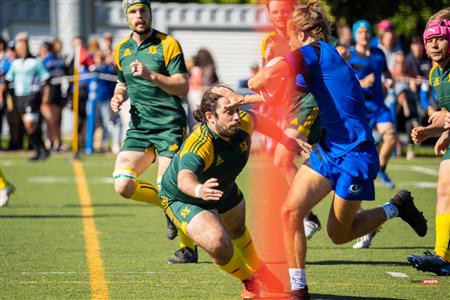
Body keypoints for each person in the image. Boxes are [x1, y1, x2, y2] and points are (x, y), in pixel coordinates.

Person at [240, 2, 427, 298]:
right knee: (290, 211)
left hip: (356, 154)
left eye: (290, 36)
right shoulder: (317, 59)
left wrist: (255, 81)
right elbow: (280, 95)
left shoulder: (312, 52)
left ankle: (397, 207)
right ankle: (299, 289)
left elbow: (261, 79)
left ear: (300, 33)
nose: (288, 41)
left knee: (339, 234)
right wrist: (240, 99)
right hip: (329, 150)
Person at [160, 84, 309, 299]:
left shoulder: (242, 124)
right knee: (217, 243)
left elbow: (258, 120)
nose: (237, 117)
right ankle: (250, 281)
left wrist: (286, 140)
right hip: (183, 197)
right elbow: (184, 178)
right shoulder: (201, 144)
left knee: (238, 231)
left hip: (222, 187)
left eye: (237, 110)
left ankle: (260, 270)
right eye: (229, 112)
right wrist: (199, 189)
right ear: (210, 117)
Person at [218, 0, 323, 239]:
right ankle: (361, 208)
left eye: (285, 10)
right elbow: (272, 85)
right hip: (289, 106)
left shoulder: (304, 34)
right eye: (274, 11)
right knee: (319, 161)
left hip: (310, 103)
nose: (280, 15)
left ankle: (305, 214)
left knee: (283, 157)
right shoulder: (269, 42)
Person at [111, 0, 195, 263]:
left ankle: (188, 248)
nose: (139, 16)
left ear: (150, 13)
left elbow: (182, 87)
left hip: (169, 125)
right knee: (123, 184)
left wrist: (152, 76)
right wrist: (118, 96)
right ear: (126, 16)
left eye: (143, 10)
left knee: (169, 187)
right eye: (133, 11)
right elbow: (122, 82)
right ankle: (168, 209)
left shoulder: (168, 44)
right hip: (139, 127)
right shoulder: (121, 49)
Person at [408, 11, 450, 276]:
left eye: (440, 39)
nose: (434, 44)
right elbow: (447, 116)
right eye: (430, 40)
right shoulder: (436, 74)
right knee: (444, 187)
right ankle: (441, 256)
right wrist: (430, 131)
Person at [348, 20, 397, 190]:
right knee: (358, 148)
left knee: (391, 138)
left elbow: (387, 73)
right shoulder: (349, 55)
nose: (364, 35)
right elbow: (343, 80)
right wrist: (360, 83)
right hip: (359, 108)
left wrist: (389, 81)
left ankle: (381, 169)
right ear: (355, 35)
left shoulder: (378, 53)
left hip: (378, 105)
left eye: (367, 32)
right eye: (360, 32)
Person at [0, 34, 51, 160]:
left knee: (30, 124)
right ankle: (41, 150)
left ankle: (41, 149)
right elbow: (7, 80)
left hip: (32, 96)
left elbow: (46, 80)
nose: (21, 49)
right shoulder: (15, 63)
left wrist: (45, 99)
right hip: (19, 97)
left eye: (23, 46)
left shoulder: (36, 62)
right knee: (28, 127)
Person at [40, 41, 66, 151]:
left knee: (50, 119)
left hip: (49, 92)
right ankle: (57, 142)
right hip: (57, 91)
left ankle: (52, 142)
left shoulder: (45, 60)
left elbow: (43, 77)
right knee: (56, 119)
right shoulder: (59, 60)